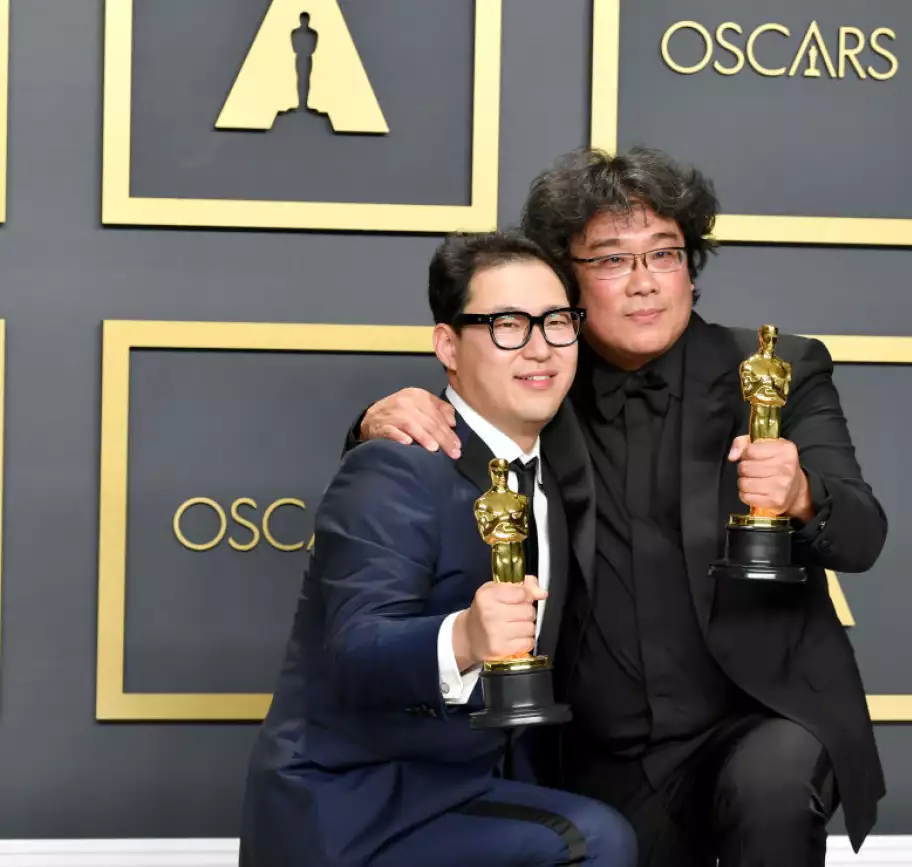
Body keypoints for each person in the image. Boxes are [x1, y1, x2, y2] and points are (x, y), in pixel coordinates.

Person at [346, 148, 888, 867]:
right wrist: (375, 420)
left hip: (757, 714)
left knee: (771, 790)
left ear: (690, 266)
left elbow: (862, 533)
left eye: (663, 253)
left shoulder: (780, 368)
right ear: (565, 281)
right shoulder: (541, 374)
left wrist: (800, 494)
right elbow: (447, 447)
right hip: (596, 745)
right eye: (609, 260)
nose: (643, 284)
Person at [239, 230, 636, 867]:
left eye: (557, 322)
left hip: (475, 785)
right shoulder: (396, 467)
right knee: (593, 840)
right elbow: (353, 652)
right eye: (508, 324)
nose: (540, 347)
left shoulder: (556, 462)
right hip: (357, 805)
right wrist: (465, 637)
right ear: (448, 345)